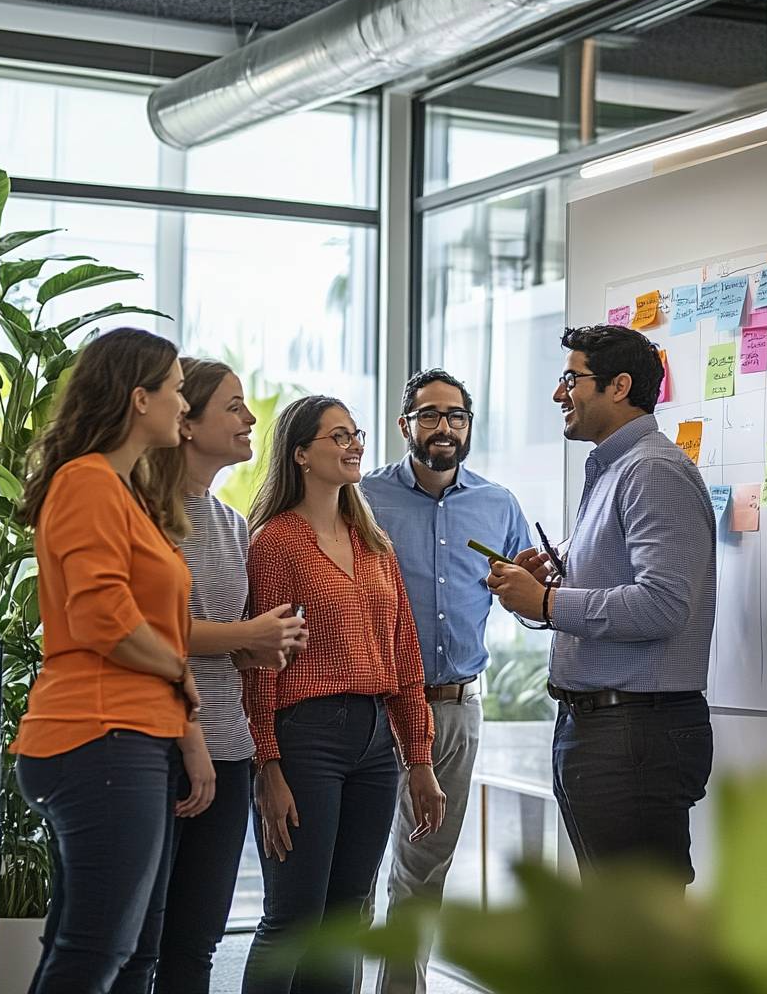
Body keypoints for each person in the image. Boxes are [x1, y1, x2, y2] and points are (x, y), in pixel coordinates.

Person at [12, 327, 214, 994]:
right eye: (178, 391)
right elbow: (106, 621)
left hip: (127, 735)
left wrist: (182, 723)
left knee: (110, 953)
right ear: (138, 399)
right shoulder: (87, 483)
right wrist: (181, 674)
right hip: (98, 734)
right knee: (97, 952)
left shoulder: (122, 491)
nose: (184, 406)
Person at [487, 324, 715, 888]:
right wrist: (545, 588)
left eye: (571, 378)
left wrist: (548, 599)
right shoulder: (614, 469)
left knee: (638, 931)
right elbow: (616, 588)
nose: (559, 394)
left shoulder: (651, 471)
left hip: (634, 732)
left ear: (618, 386)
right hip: (606, 729)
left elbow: (663, 605)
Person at [241, 395, 446, 994]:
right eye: (338, 437)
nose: (354, 444)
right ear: (301, 454)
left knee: (346, 916)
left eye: (355, 434)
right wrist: (267, 763)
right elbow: (260, 666)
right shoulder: (275, 544)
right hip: (306, 738)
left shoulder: (373, 544)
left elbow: (404, 656)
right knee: (294, 917)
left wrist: (420, 760)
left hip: (375, 741)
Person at [361, 368, 531, 994]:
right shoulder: (364, 497)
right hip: (371, 706)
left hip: (454, 707)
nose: (444, 428)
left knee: (424, 868)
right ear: (405, 424)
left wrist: (536, 588)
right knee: (353, 866)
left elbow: (526, 599)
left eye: (455, 416)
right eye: (429, 415)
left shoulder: (499, 504)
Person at [147, 359, 308, 994]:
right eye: (234, 406)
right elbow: (147, 631)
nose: (249, 420)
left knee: (197, 940)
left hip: (228, 745)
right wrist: (247, 636)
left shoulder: (231, 522)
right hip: (153, 740)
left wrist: (263, 647)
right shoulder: (144, 512)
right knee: (137, 939)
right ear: (185, 423)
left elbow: (220, 644)